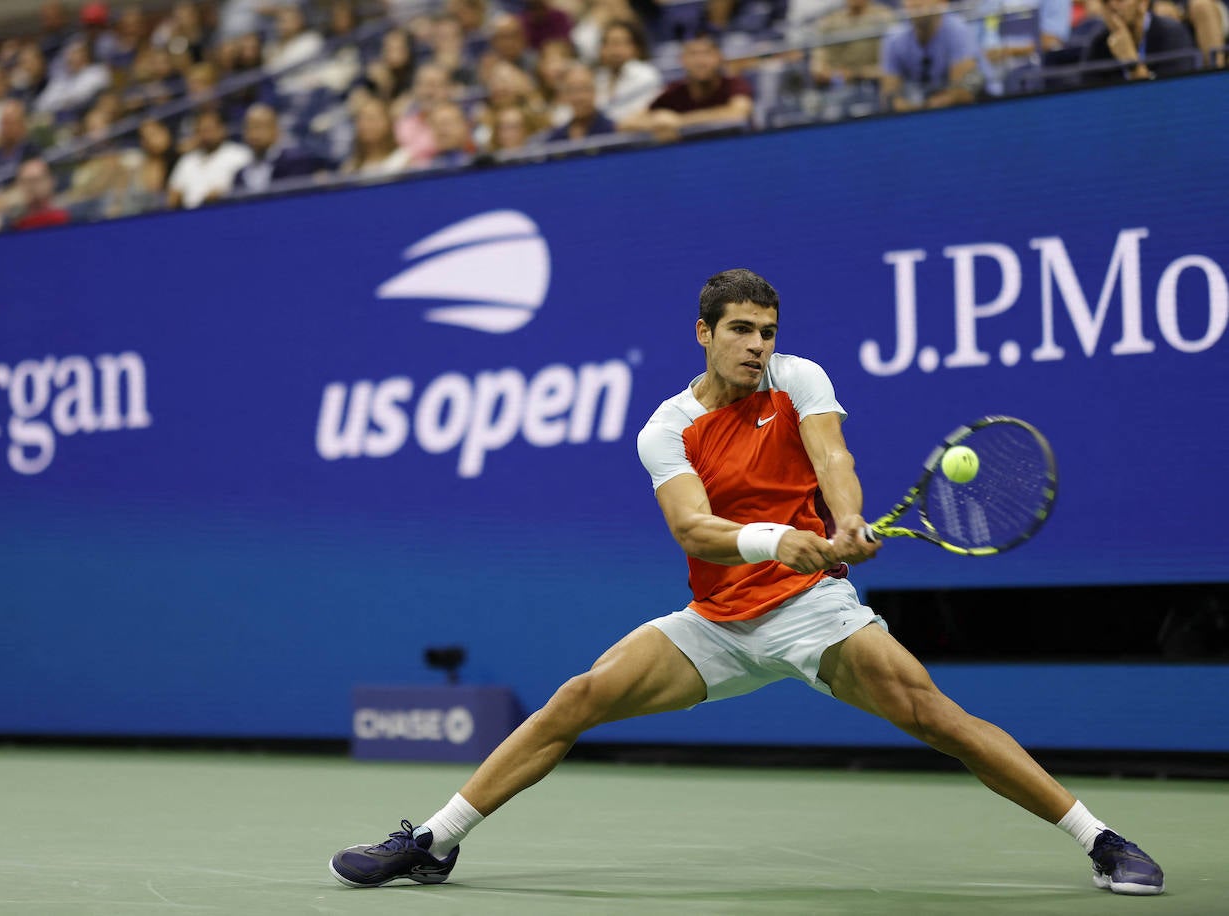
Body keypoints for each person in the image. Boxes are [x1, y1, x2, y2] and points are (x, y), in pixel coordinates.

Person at [329, 268, 1167, 899]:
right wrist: (779, 539)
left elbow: (833, 458)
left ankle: (1100, 841)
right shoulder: (669, 427)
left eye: (766, 330)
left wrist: (841, 524)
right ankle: (434, 841)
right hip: (717, 623)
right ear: (703, 333)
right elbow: (694, 531)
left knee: (933, 715)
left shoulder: (799, 379)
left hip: (813, 611)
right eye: (740, 330)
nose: (757, 344)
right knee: (577, 699)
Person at [621, 34, 753, 139]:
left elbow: (738, 112)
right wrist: (657, 122)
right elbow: (626, 124)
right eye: (693, 54)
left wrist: (680, 122)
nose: (700, 61)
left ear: (719, 58)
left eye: (707, 54)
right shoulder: (675, 91)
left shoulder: (733, 83)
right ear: (682, 60)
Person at [878, 0, 983, 112]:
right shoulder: (894, 39)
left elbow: (963, 93)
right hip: (921, 113)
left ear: (942, 3)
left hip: (981, 105)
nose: (915, 4)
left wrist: (929, 105)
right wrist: (909, 107)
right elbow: (888, 96)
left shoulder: (958, 29)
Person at [1081, 0, 1200, 81]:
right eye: (1105, 1)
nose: (1112, 5)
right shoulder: (1098, 45)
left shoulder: (1173, 34)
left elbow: (1169, 102)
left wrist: (1131, 62)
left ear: (1143, 2)